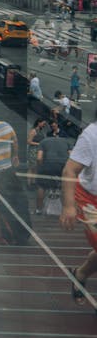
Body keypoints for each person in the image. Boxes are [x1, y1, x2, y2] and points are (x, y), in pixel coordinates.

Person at [61, 109, 97, 305]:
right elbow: (70, 169)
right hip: (90, 200)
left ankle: (81, 273)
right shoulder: (92, 134)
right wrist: (68, 206)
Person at [35, 121, 70, 215]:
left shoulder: (43, 141)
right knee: (66, 187)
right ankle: (66, 209)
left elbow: (39, 158)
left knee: (41, 186)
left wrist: (40, 168)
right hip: (62, 166)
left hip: (47, 165)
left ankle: (38, 209)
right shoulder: (66, 141)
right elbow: (71, 156)